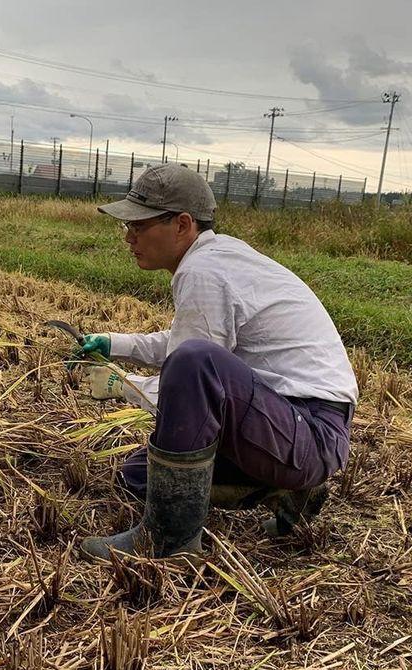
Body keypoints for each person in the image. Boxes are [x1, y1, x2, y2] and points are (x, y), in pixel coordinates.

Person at [77, 163, 357, 563]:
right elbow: (183, 346)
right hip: (288, 424)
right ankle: (286, 488)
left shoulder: (204, 271)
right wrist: (113, 343)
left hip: (309, 429)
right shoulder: (217, 259)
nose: (129, 237)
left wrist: (121, 385)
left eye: (139, 226)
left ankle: (169, 541)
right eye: (127, 227)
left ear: (182, 224)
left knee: (195, 366)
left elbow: (190, 374)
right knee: (140, 476)